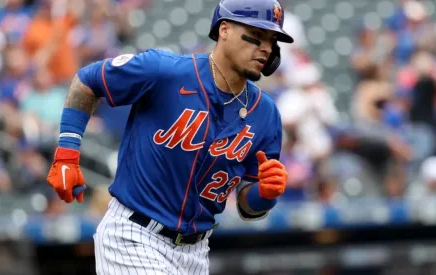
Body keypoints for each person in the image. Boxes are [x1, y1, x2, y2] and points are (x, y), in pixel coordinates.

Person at [46, 0, 292, 274]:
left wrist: (264, 195)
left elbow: (248, 207)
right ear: (224, 30)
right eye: (257, 36)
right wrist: (67, 152)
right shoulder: (166, 71)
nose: (266, 48)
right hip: (134, 236)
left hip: (197, 253)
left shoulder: (267, 115)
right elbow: (88, 81)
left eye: (272, 41)